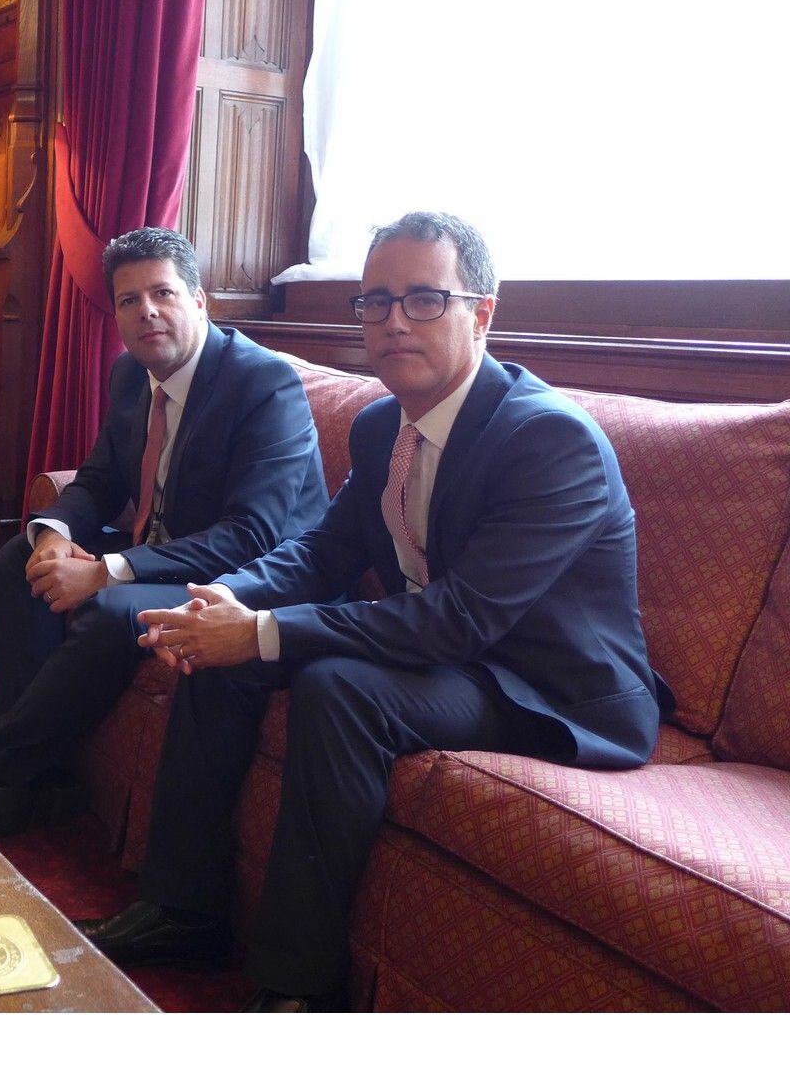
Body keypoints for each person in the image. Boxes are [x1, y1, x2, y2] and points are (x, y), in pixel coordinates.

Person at [81, 211, 673, 1011]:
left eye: (424, 299)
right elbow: (322, 553)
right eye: (375, 301)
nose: (394, 321)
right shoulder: (379, 425)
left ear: (482, 312)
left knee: (339, 688)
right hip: (450, 655)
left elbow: (459, 621)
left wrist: (259, 632)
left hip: (544, 686)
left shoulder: (547, 439)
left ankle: (296, 986)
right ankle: (184, 908)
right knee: (224, 659)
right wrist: (234, 600)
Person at [0, 226, 329, 834]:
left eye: (163, 294)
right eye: (129, 301)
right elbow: (100, 479)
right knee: (17, 560)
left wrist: (107, 571)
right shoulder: (131, 376)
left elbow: (252, 533)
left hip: (244, 576)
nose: (147, 312)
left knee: (114, 610)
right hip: (165, 550)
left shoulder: (262, 383)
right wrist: (53, 534)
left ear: (200, 300)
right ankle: (40, 779)